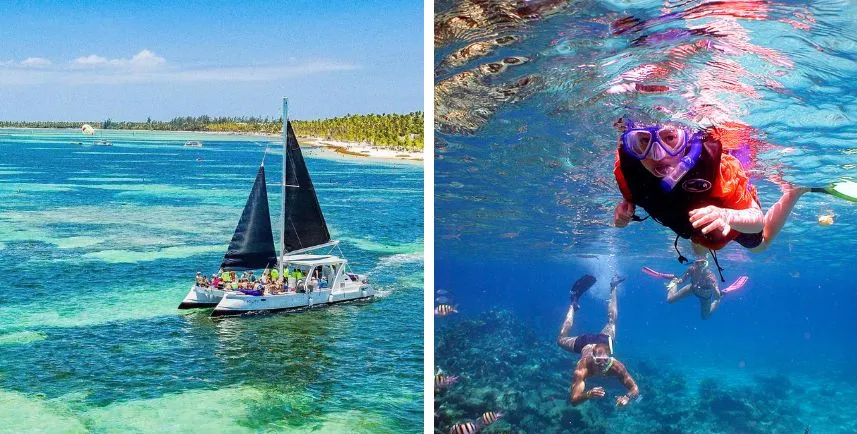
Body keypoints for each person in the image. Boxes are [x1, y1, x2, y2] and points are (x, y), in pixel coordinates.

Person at [613, 119, 808, 264]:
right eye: (643, 141)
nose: (658, 154)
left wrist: (725, 215)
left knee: (760, 246)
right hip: (696, 226)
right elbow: (635, 192)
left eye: (670, 138)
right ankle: (701, 255)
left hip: (729, 216)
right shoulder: (627, 170)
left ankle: (793, 193)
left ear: (686, 139)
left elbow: (757, 222)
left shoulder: (721, 169)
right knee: (699, 249)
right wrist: (626, 206)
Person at [558, 275, 639, 407]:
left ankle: (613, 287)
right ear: (592, 357)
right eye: (598, 361)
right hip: (585, 342)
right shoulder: (583, 367)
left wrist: (627, 397)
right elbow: (573, 400)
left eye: (605, 361)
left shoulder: (617, 367)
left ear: (610, 357)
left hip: (604, 340)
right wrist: (588, 394)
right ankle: (573, 304)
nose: (601, 364)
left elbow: (635, 388)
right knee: (560, 339)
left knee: (612, 321)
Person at [642, 259, 748, 319]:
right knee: (670, 300)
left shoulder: (710, 277)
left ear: (706, 264)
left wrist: (718, 294)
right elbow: (682, 280)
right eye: (697, 263)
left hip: (704, 296)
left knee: (705, 317)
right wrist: (675, 281)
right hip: (692, 288)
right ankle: (672, 278)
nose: (698, 265)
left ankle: (724, 293)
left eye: (702, 263)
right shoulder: (691, 269)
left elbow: (715, 295)